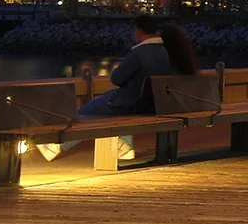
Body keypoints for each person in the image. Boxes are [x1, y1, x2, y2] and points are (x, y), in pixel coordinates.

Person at [36, 15, 182, 163]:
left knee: (86, 114)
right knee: (109, 104)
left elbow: (116, 79)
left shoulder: (139, 53)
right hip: (154, 103)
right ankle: (124, 148)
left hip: (133, 103)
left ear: (139, 30)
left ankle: (55, 146)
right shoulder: (166, 51)